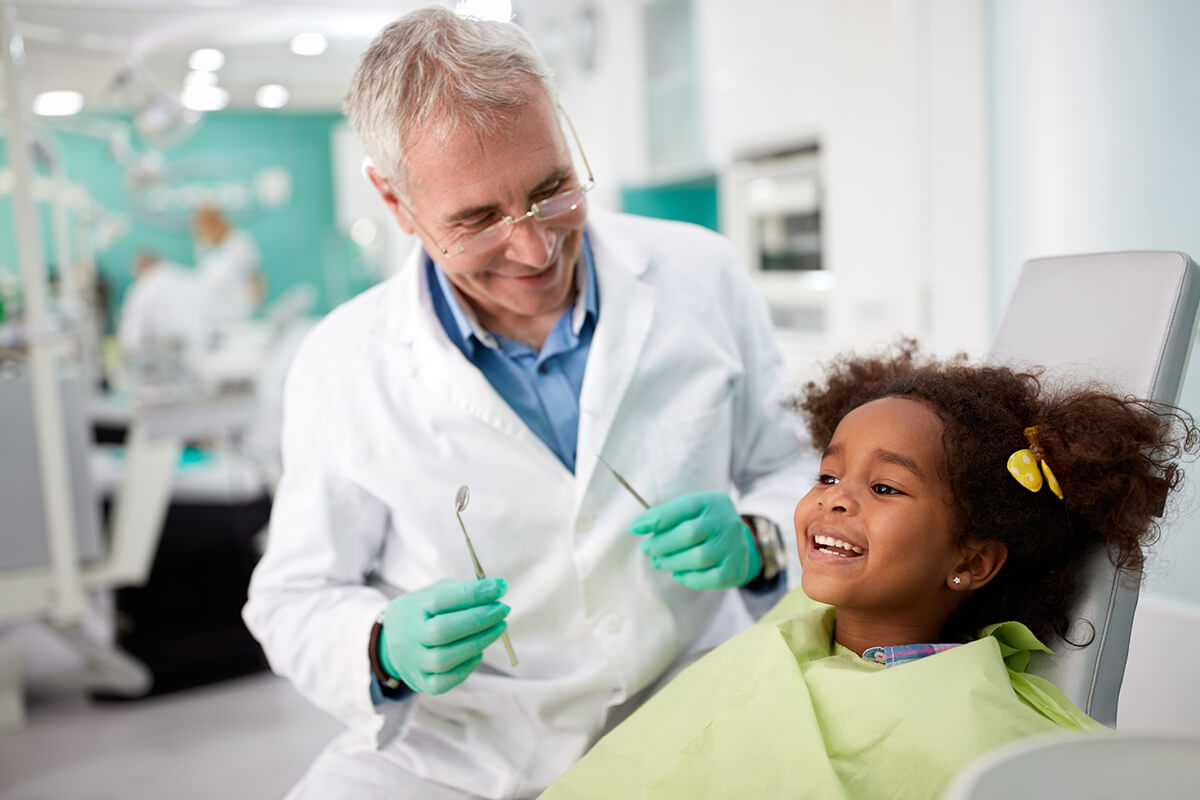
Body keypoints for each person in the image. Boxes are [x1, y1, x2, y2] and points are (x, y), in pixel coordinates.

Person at [241, 7, 809, 799]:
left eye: (551, 191)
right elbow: (294, 598)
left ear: (569, 139)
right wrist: (379, 649)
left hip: (688, 695)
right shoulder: (343, 364)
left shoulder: (701, 275)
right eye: (476, 221)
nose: (535, 249)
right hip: (464, 748)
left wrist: (762, 539)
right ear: (397, 203)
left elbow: (793, 468)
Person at [542, 341, 1199, 799]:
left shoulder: (971, 724)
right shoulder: (799, 622)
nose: (834, 496)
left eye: (885, 488)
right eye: (828, 474)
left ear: (970, 562)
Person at [116, 250, 215, 362]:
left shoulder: (143, 288)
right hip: (205, 354)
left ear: (142, 267)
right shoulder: (191, 278)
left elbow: (130, 338)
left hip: (168, 362)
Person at [192, 205, 263, 324]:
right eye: (202, 223)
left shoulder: (239, 242)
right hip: (214, 315)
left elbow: (255, 276)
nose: (206, 227)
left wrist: (254, 309)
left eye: (210, 221)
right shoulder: (202, 247)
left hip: (241, 313)